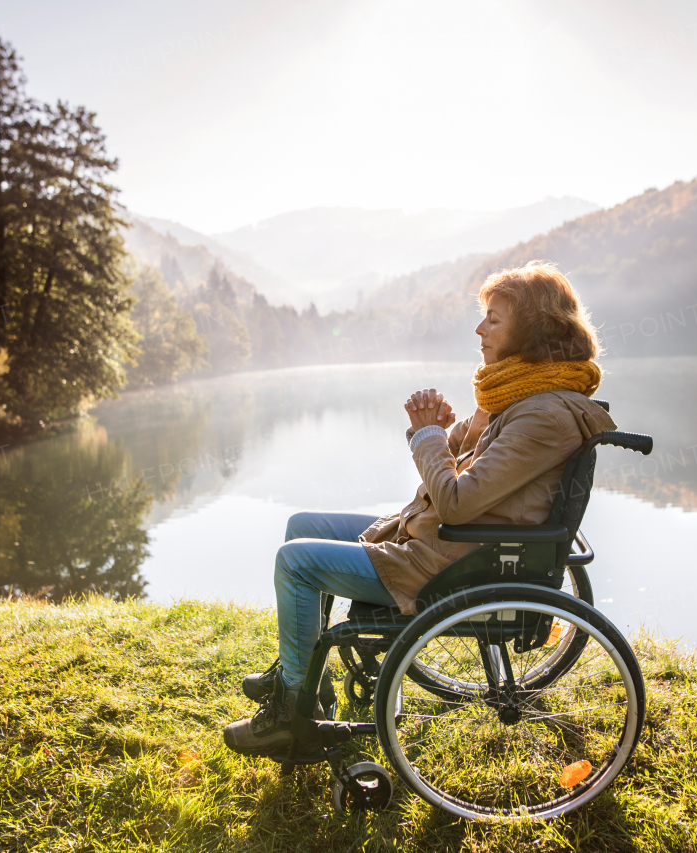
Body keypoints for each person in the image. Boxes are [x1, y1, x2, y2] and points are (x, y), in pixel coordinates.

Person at [222, 260, 617, 756]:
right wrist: (453, 430)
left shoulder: (541, 415)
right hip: (441, 540)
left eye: (494, 318)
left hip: (446, 563)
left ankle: (292, 715)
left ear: (534, 329)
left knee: (295, 562)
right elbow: (462, 476)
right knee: (303, 524)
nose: (480, 328)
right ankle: (304, 682)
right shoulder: (523, 398)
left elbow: (454, 502)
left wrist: (426, 435)